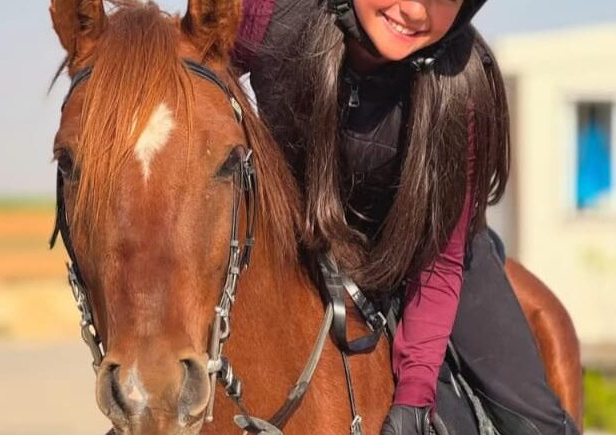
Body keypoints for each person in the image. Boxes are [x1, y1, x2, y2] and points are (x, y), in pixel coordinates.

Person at [232, 0, 581, 434]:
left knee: (536, 422)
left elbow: (440, 263)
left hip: (432, 253)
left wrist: (414, 396)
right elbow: (188, 69)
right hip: (301, 232)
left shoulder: (462, 86)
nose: (415, 11)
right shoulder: (270, 14)